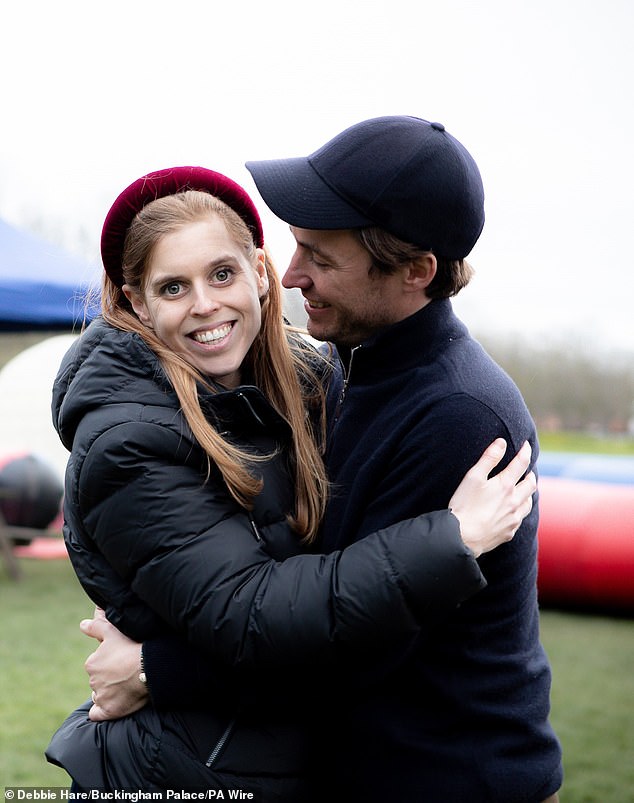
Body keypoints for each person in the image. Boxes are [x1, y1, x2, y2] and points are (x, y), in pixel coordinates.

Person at [85, 118, 562, 802]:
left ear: (415, 273)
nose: (292, 272)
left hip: (450, 780)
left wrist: (156, 669)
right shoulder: (350, 366)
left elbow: (349, 650)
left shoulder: (457, 416)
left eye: (321, 257)